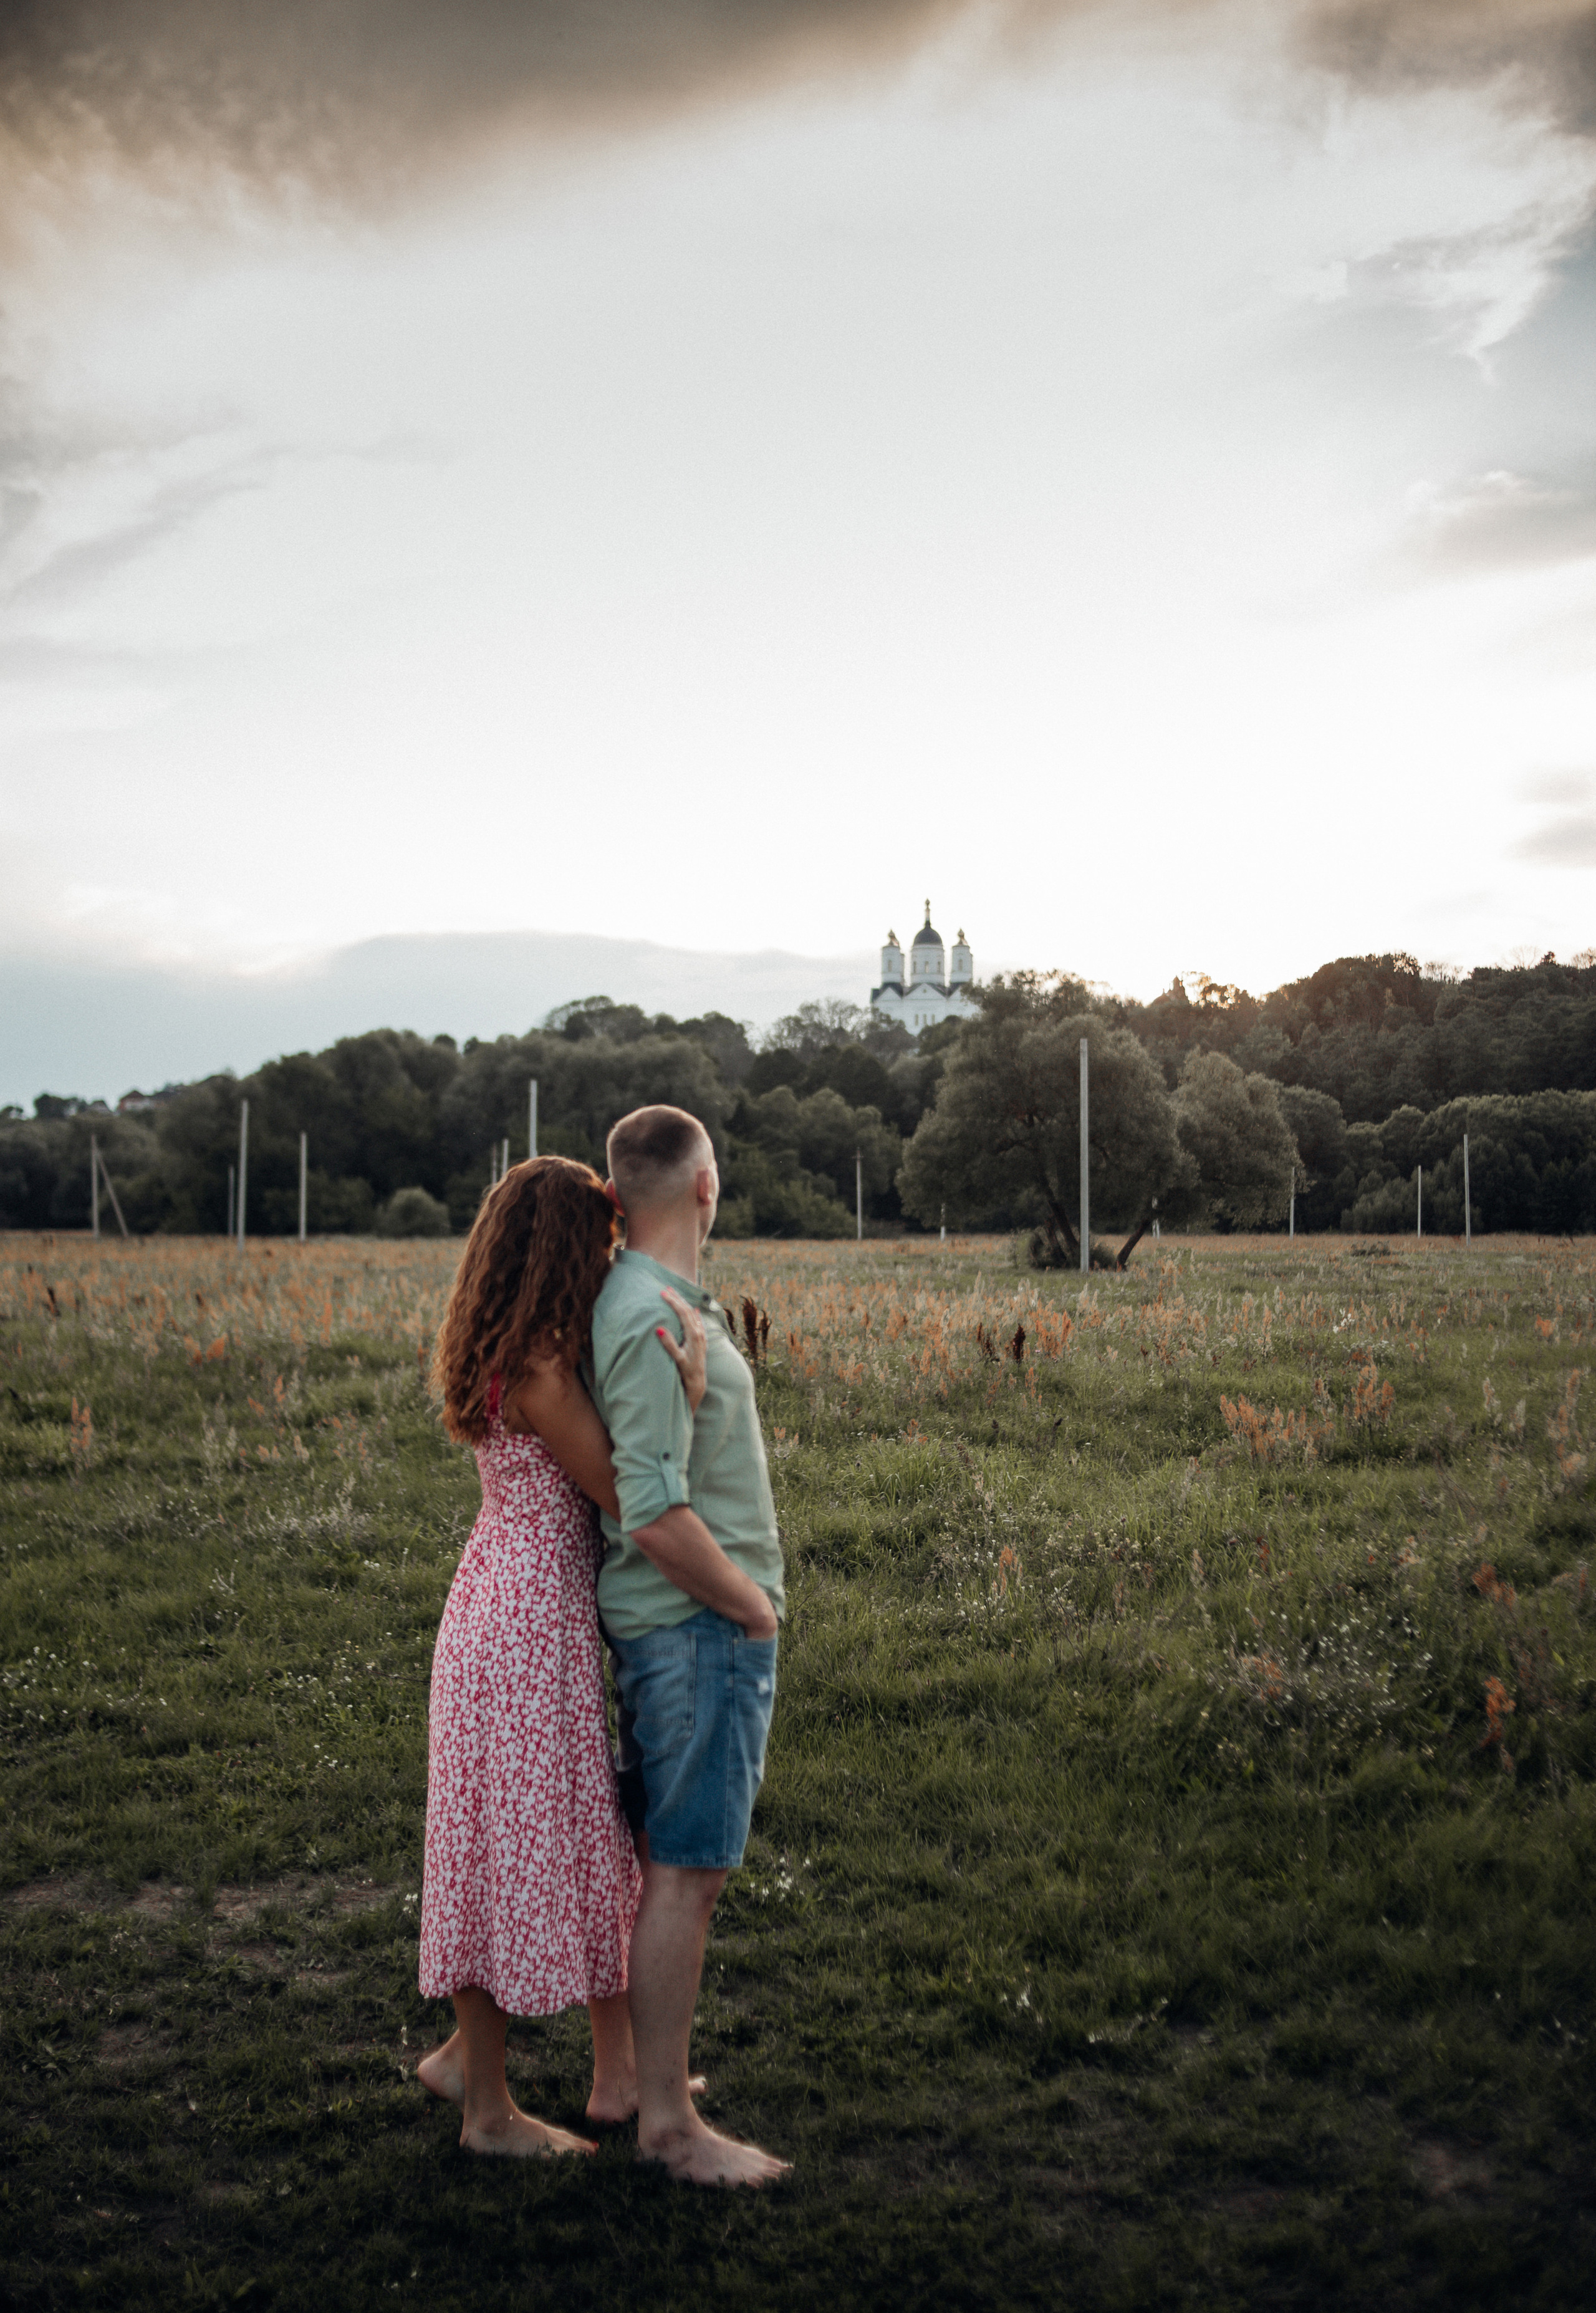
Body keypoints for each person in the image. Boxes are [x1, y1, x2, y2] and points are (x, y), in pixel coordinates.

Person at [415, 1154, 707, 2157]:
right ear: (563, 1249)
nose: (610, 1260)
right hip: (524, 1629)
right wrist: (687, 1396)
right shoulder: (540, 1364)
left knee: (572, 1837)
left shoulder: (508, 1340)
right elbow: (624, 1491)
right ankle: (488, 2112)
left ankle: (590, 2069)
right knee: (508, 1850)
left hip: (496, 1611)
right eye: (599, 1241)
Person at [589, 1105, 791, 2188]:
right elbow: (655, 1511)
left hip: (687, 1627)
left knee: (670, 1866)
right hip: (696, 1630)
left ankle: (649, 2081)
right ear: (705, 1187)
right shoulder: (646, 1311)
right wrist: (751, 1609)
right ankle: (667, 2127)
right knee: (687, 1874)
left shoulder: (649, 1303)